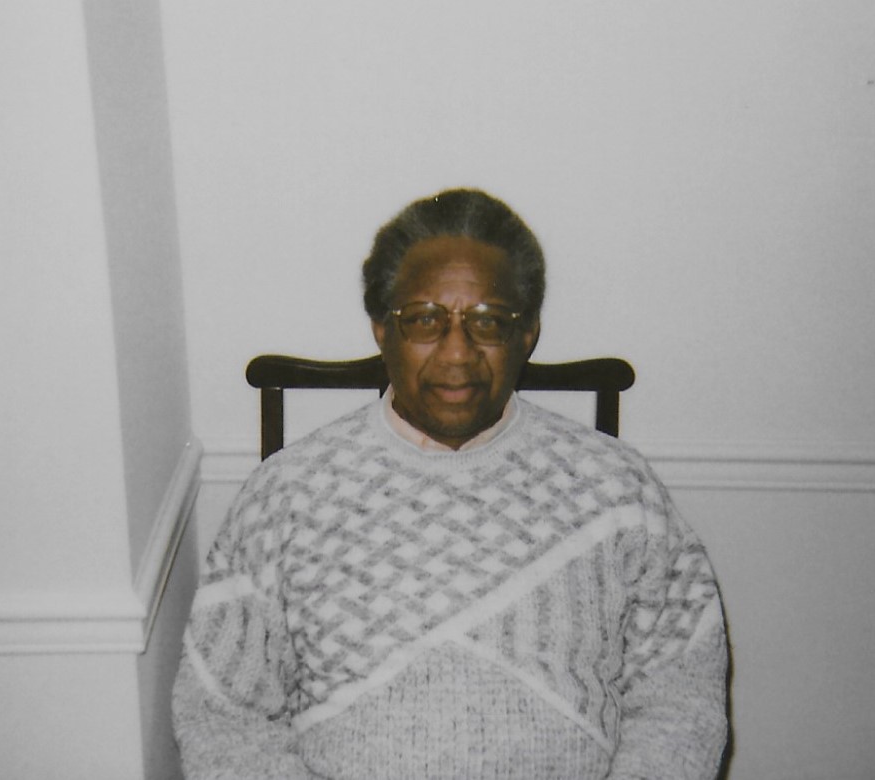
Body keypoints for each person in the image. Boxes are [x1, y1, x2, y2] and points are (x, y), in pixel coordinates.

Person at [173, 188, 729, 780]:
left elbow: (681, 700)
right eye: (424, 320)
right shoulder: (284, 497)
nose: (457, 353)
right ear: (381, 330)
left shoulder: (620, 492)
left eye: (488, 322)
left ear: (527, 333)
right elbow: (223, 717)